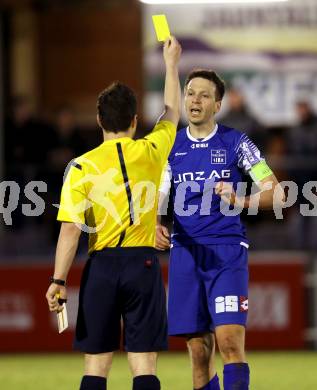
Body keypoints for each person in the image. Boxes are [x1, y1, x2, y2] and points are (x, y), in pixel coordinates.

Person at [46, 36, 182, 390]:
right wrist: (170, 64)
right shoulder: (152, 151)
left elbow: (70, 232)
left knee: (96, 366)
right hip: (143, 265)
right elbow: (172, 112)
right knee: (144, 366)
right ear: (135, 120)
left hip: (102, 267)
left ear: (98, 119)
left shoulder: (81, 167)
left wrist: (58, 281)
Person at [156, 69, 285, 390]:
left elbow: (278, 193)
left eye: (203, 95)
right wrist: (156, 221)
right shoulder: (170, 146)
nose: (194, 100)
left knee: (229, 342)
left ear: (218, 104)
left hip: (226, 253)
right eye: (190, 93)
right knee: (198, 352)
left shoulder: (236, 142)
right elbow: (159, 191)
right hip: (185, 253)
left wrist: (241, 201)